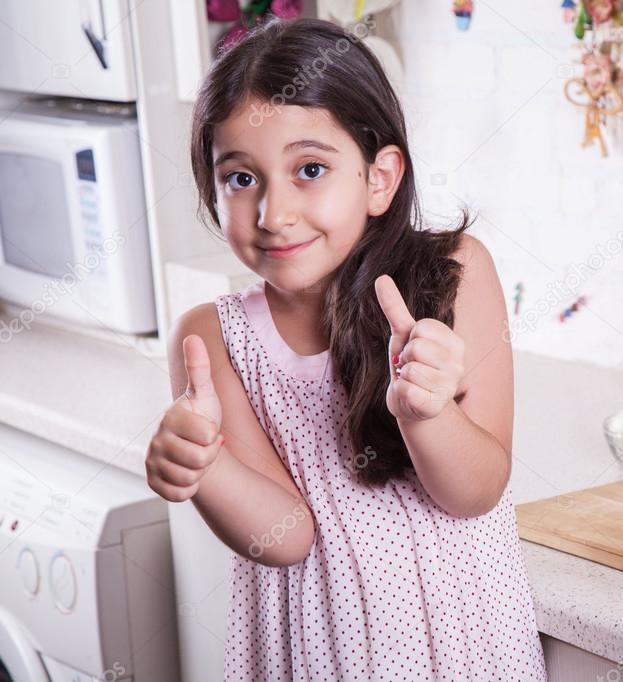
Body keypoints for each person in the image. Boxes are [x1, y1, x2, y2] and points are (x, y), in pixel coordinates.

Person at [144, 16, 547, 681]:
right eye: (240, 179)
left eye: (309, 169)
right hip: (317, 653)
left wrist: (429, 414)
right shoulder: (211, 338)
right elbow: (286, 537)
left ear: (379, 177)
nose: (273, 213)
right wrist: (203, 471)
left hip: (465, 647)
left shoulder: (454, 275)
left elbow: (474, 492)